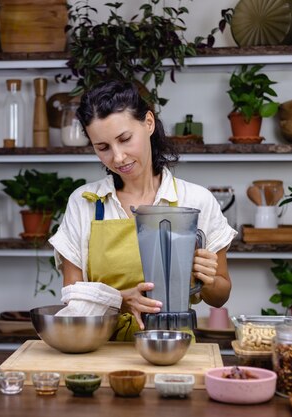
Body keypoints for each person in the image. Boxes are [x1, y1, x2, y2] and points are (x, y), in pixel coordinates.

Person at [48, 80, 237, 341]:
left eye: (125, 139)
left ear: (148, 123)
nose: (118, 157)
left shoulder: (195, 199)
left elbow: (220, 296)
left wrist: (208, 280)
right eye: (102, 147)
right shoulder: (85, 202)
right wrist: (121, 301)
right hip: (100, 348)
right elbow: (73, 296)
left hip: (173, 349)